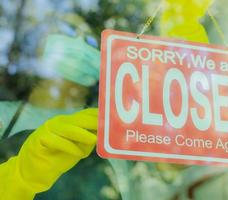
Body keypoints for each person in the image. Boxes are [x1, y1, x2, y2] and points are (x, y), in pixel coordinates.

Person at [0, 0, 213, 199]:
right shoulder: (3, 115)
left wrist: (186, 52)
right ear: (36, 45)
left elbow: (172, 169)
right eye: (69, 31)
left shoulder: (119, 131)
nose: (80, 42)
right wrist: (20, 176)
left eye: (90, 40)